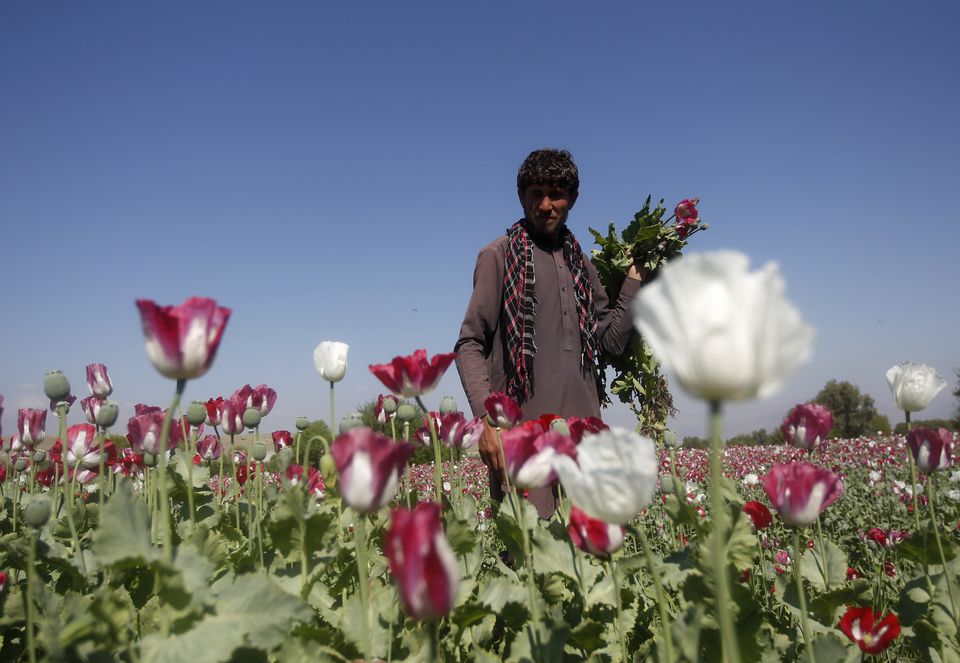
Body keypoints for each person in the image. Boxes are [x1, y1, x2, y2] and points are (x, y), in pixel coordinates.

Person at [454, 148, 646, 512]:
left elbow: (611, 341)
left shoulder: (582, 266)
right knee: (530, 542)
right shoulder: (498, 256)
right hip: (523, 444)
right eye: (536, 194)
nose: (545, 205)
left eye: (556, 194)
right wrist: (486, 419)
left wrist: (635, 283)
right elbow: (470, 343)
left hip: (585, 441)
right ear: (521, 197)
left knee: (588, 541)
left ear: (572, 198)